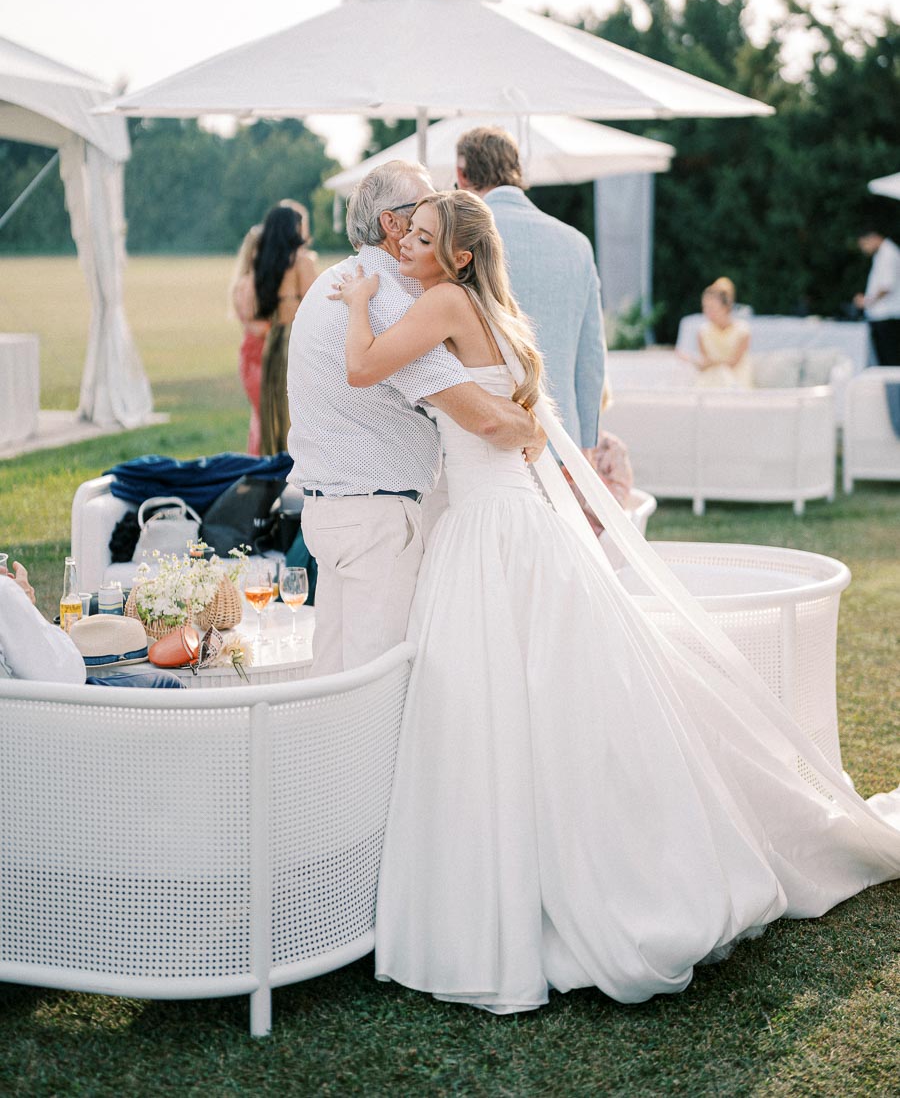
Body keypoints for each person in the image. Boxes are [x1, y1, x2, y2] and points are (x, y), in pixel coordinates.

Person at [331, 189, 900, 1016]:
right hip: (520, 521)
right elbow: (519, 420)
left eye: (421, 239)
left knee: (491, 708)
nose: (405, 248)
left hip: (487, 533)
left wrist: (355, 302)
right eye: (405, 236)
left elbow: (361, 367)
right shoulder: (500, 310)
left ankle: (521, 899)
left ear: (458, 256)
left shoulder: (442, 302)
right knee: (549, 702)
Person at [286, 161, 545, 678]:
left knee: (330, 676)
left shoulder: (333, 282)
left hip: (325, 512)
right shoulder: (390, 301)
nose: (440, 207)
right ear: (394, 224)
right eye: (426, 207)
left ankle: (322, 763)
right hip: (375, 518)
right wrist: (533, 429)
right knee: (375, 681)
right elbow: (479, 416)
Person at [456, 126, 605, 447]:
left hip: (484, 436)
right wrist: (587, 446)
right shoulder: (577, 244)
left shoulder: (458, 242)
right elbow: (592, 360)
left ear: (461, 174)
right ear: (518, 170)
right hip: (562, 438)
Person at [0, 561, 184, 689]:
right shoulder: (4, 591)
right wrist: (21, 602)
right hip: (57, 718)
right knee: (168, 683)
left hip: (17, 725)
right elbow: (68, 675)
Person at [255, 204, 318, 454]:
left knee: (275, 405)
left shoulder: (266, 262)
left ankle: (276, 454)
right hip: (295, 337)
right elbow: (314, 302)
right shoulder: (302, 261)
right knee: (296, 404)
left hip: (274, 338)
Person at [230, 224, 268, 455]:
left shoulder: (264, 282)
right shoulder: (248, 284)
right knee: (264, 417)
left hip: (265, 357)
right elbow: (257, 326)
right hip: (256, 360)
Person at [679, 276, 753, 387]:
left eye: (712, 308)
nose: (707, 312)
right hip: (711, 379)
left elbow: (733, 363)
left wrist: (710, 363)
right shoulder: (703, 332)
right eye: (705, 307)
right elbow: (704, 364)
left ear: (726, 308)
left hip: (736, 381)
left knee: (723, 376)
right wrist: (691, 360)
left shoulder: (742, 330)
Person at [854, 223, 900, 366]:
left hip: (887, 316)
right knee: (886, 359)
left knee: (890, 360)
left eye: (864, 244)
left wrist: (866, 301)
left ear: (873, 238)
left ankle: (893, 388)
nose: (864, 249)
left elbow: (887, 286)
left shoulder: (888, 253)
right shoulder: (882, 254)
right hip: (882, 316)